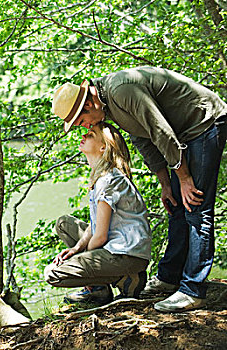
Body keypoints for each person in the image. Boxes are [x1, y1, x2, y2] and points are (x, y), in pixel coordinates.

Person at [53, 66, 227, 312]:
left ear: (89, 104)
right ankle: (169, 279)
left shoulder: (122, 91)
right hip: (180, 135)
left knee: (196, 208)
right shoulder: (108, 108)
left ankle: (193, 291)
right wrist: (166, 183)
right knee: (177, 206)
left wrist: (184, 177)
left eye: (81, 121)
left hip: (202, 123)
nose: (84, 127)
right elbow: (143, 139)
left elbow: (159, 129)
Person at [44, 122, 152, 305]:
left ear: (103, 147)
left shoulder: (108, 180)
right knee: (64, 224)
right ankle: (99, 289)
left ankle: (125, 279)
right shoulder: (101, 177)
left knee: (53, 273)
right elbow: (95, 227)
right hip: (116, 248)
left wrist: (80, 259)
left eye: (91, 134)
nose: (84, 136)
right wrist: (76, 249)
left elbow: (100, 236)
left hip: (128, 254)